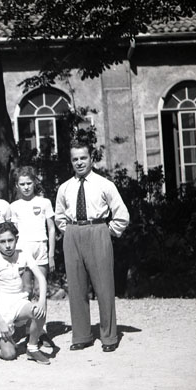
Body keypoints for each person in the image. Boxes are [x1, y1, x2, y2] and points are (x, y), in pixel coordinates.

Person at [55, 140, 129, 352]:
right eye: (75, 159)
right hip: (73, 233)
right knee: (76, 287)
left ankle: (109, 337)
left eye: (83, 158)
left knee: (104, 287)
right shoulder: (65, 187)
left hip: (97, 231)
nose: (79, 162)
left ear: (91, 159)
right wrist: (70, 231)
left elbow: (122, 215)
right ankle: (82, 335)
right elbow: (59, 216)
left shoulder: (104, 185)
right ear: (71, 161)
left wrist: (107, 231)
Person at [0, 222, 50, 365]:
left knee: (39, 311)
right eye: (2, 242)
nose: (7, 245)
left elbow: (41, 278)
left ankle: (32, 348)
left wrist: (42, 302)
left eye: (10, 240)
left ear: (16, 239)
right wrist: (0, 322)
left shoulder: (23, 255)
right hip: (1, 307)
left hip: (19, 301)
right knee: (9, 355)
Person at [9, 166, 56, 348]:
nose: (26, 187)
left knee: (40, 290)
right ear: (17, 185)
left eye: (29, 183)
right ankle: (28, 329)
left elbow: (51, 229)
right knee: (26, 290)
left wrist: (51, 255)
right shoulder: (14, 206)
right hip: (23, 249)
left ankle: (41, 330)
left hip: (40, 248)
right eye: (22, 184)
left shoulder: (44, 202)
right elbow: (13, 233)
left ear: (35, 182)